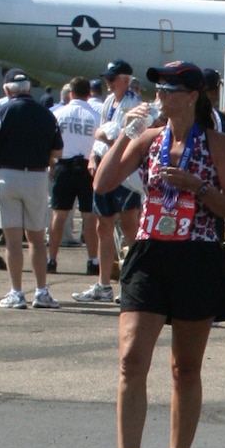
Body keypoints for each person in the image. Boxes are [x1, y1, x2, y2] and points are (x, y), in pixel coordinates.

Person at [90, 61, 225, 448]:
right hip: (149, 252)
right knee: (131, 361)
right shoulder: (149, 139)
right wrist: (124, 132)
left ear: (192, 95)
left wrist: (198, 187)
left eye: (170, 88)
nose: (159, 95)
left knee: (184, 368)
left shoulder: (217, 143)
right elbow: (103, 184)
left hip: (196, 255)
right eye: (157, 88)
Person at [0, 71, 63, 310]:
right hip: (37, 176)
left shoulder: (0, 112)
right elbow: (58, 151)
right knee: (37, 239)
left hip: (7, 175)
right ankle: (41, 290)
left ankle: (16, 292)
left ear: (7, 90)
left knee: (12, 240)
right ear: (28, 89)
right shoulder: (46, 114)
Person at [89, 60, 144, 285]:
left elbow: (130, 139)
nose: (108, 83)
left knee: (130, 225)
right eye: (107, 79)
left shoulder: (134, 104)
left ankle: (131, 281)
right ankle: (103, 283)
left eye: (112, 79)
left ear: (125, 79)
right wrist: (93, 156)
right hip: (105, 162)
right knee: (103, 225)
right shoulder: (109, 101)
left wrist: (106, 136)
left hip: (124, 171)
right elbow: (100, 132)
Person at [49, 77, 102, 286]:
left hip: (64, 164)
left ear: (70, 92)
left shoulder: (57, 113)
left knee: (59, 215)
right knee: (89, 217)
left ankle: (51, 259)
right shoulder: (96, 116)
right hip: (88, 166)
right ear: (89, 93)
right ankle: (92, 260)